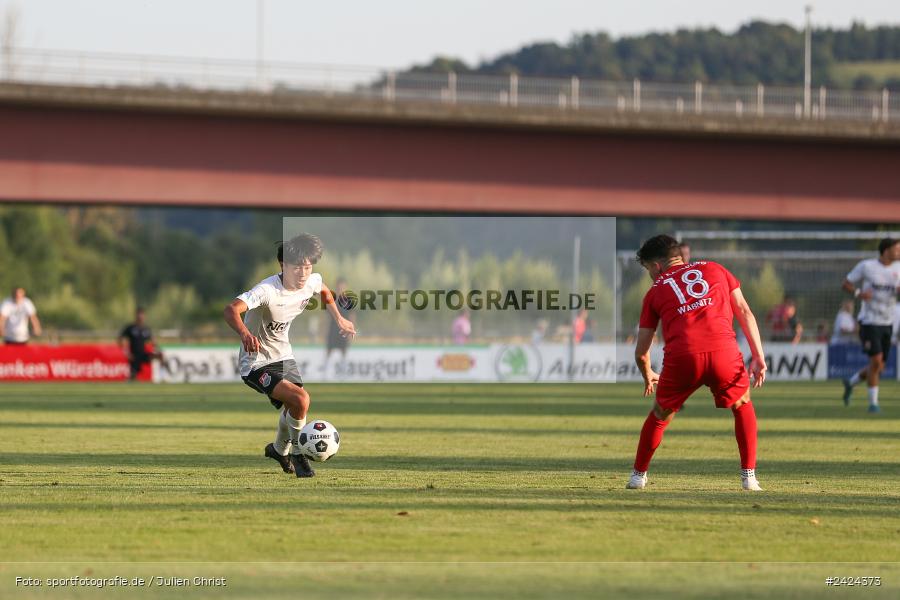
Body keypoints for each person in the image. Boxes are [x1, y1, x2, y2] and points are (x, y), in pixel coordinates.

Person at [629, 234, 766, 491]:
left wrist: (647, 373)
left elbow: (641, 351)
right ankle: (749, 478)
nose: (650, 275)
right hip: (723, 351)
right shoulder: (716, 268)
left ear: (657, 266)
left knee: (660, 415)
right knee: (742, 404)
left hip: (683, 357)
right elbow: (745, 311)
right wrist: (758, 356)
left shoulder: (655, 291)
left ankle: (638, 476)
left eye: (648, 269)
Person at [223, 233, 356, 478]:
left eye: (308, 267)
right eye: (297, 267)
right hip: (255, 363)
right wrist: (244, 334)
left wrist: (339, 319)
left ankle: (278, 449)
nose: (304, 273)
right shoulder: (267, 290)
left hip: (284, 355)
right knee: (302, 399)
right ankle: (298, 453)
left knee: (294, 406)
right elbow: (231, 310)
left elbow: (325, 293)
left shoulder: (311, 280)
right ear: (283, 265)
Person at [840, 238, 900, 413]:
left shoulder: (898, 268)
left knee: (879, 366)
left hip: (888, 322)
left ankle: (851, 383)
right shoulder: (867, 266)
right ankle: (873, 404)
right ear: (886, 250)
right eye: (897, 249)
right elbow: (846, 283)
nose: (899, 252)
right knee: (875, 360)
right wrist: (859, 293)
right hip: (869, 321)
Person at [322, 277, 355, 380]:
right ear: (336, 286)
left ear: (345, 287)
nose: (340, 288)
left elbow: (352, 317)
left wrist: (351, 331)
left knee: (344, 354)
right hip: (332, 331)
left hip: (344, 331)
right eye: (339, 286)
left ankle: (343, 376)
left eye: (342, 286)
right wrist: (323, 332)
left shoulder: (348, 301)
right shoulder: (331, 300)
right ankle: (324, 376)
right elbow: (326, 318)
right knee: (328, 353)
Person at [119, 307, 163, 381]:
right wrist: (126, 352)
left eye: (142, 315)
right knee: (133, 377)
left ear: (144, 316)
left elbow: (153, 341)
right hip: (134, 356)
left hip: (143, 354)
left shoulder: (146, 329)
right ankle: (130, 379)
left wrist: (158, 349)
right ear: (135, 316)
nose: (140, 317)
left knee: (160, 356)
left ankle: (162, 376)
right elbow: (121, 339)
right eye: (138, 315)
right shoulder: (130, 328)